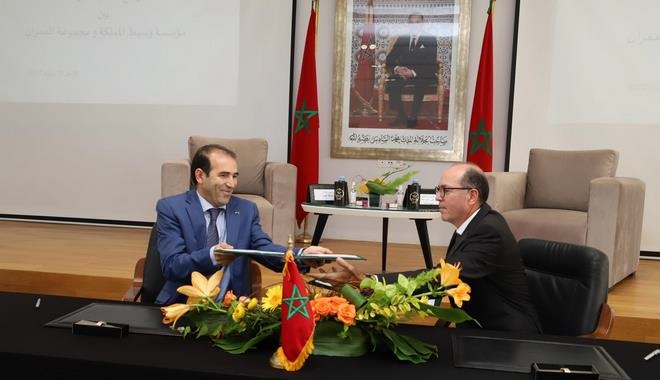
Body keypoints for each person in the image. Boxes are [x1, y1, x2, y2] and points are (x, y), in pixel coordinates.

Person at [310, 163, 542, 333]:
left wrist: (369, 282)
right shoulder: (476, 224)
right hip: (477, 328)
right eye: (438, 190)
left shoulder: (489, 231)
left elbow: (441, 279)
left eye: (445, 191)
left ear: (472, 196)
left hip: (505, 337)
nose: (438, 197)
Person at [155, 144, 331, 305]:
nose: (231, 184)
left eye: (234, 176)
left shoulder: (246, 210)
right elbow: (172, 267)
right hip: (182, 308)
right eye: (223, 175)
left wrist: (301, 255)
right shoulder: (171, 208)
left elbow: (264, 250)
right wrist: (211, 256)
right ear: (200, 175)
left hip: (234, 310)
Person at [385, 13, 438, 128]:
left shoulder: (430, 39)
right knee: (393, 82)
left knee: (420, 82)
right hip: (403, 72)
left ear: (422, 24)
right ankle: (401, 115)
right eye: (411, 23)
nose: (414, 26)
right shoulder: (403, 38)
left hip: (422, 73)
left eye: (417, 23)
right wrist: (398, 69)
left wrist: (413, 72)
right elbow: (390, 58)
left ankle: (413, 116)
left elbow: (430, 63)